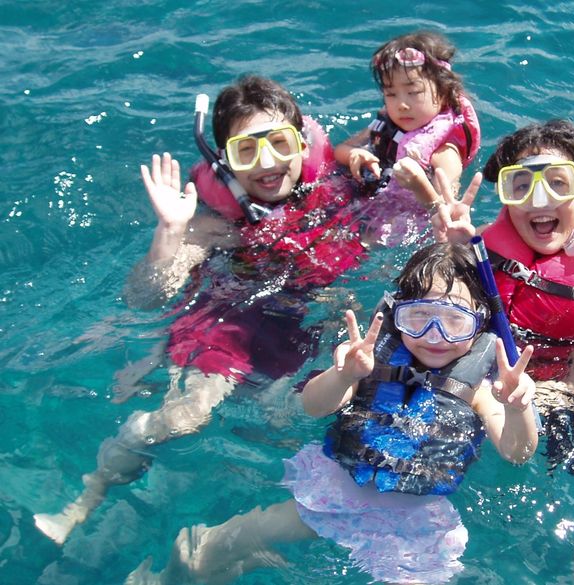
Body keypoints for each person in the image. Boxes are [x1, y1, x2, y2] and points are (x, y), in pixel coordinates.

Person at [33, 75, 369, 545]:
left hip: (299, 333)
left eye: (278, 143)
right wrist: (170, 232)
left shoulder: (337, 189)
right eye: (246, 151)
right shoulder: (215, 225)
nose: (267, 163)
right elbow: (147, 297)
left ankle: (210, 537)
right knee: (183, 419)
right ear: (224, 161)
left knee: (288, 432)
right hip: (225, 327)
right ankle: (84, 502)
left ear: (301, 142)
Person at [125, 242, 539, 585]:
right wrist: (343, 375)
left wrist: (517, 408)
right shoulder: (364, 358)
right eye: (419, 318)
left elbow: (516, 453)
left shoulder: (480, 389)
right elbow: (313, 406)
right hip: (336, 490)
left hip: (413, 520)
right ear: (397, 316)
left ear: (479, 325)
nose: (435, 336)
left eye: (454, 321)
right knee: (211, 549)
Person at [434, 120, 574, 583]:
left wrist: (556, 394)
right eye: (520, 185)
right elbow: (444, 305)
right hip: (490, 373)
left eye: (558, 183)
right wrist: (450, 250)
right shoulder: (481, 249)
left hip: (569, 391)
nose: (538, 201)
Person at [335, 30, 480, 246]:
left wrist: (419, 185)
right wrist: (355, 154)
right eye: (391, 94)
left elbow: (445, 210)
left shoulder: (445, 152)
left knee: (363, 243)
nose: (402, 104)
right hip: (369, 193)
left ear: (443, 92)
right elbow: (340, 150)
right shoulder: (387, 124)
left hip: (404, 221)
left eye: (413, 92)